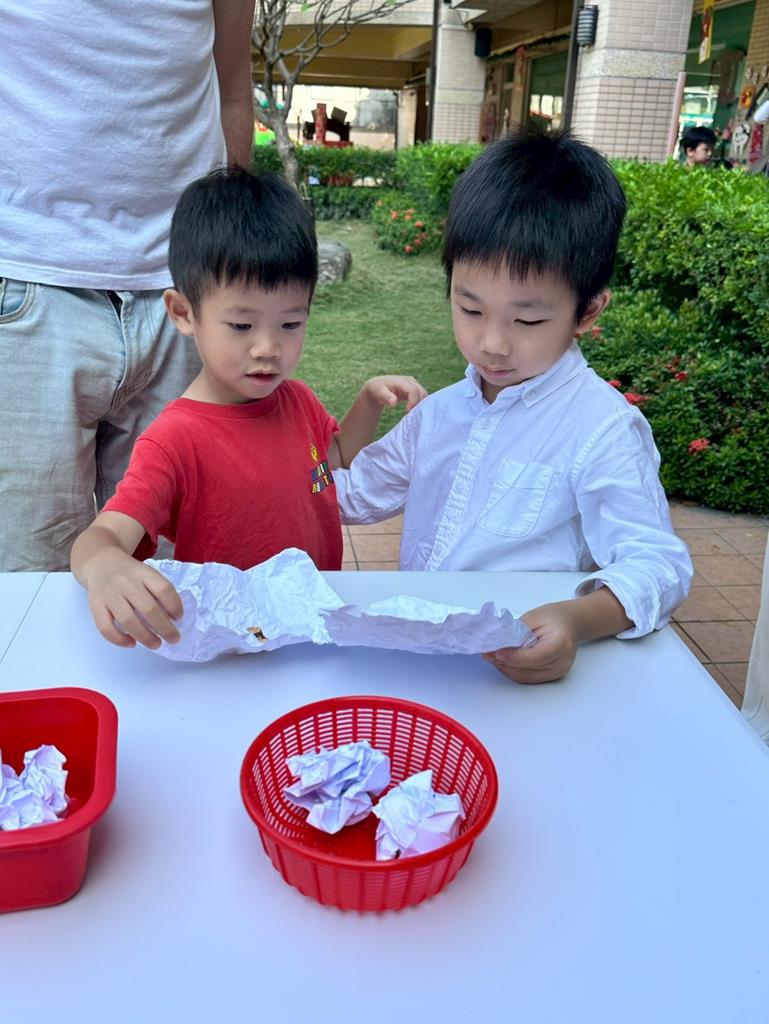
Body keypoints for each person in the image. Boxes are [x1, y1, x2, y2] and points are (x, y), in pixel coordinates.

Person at [333, 128, 693, 684]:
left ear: (588, 311)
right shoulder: (437, 415)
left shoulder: (601, 428)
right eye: (470, 309)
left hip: (522, 673)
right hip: (430, 664)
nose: (492, 344)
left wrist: (576, 619)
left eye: (527, 320)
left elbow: (659, 565)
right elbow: (346, 494)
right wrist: (283, 454)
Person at [70, 169, 425, 650]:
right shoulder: (174, 441)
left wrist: (368, 401)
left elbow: (334, 458)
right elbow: (103, 536)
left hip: (311, 625)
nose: (268, 349)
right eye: (241, 325)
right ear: (183, 313)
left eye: (290, 324)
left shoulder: (298, 401)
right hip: (232, 642)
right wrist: (106, 566)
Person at [0, 0, 256, 572]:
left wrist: (231, 262)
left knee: (181, 578)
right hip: (24, 280)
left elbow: (234, 90)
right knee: (23, 584)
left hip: (188, 291)